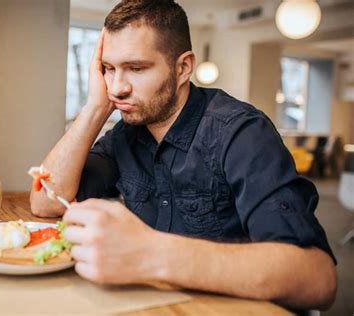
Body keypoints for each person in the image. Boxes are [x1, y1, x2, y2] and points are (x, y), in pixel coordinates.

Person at [30, 0, 336, 311]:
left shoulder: (241, 133)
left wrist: (150, 253)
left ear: (183, 68)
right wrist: (95, 108)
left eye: (135, 68)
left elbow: (318, 279)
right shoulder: (126, 133)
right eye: (108, 69)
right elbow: (45, 201)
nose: (117, 88)